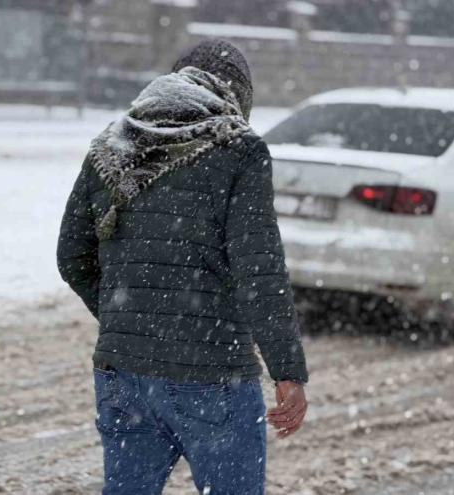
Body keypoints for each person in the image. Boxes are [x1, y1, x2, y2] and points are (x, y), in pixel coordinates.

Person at [56, 39, 308, 495]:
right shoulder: (239, 150)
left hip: (123, 376)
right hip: (212, 373)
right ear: (236, 96)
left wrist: (127, 318)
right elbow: (259, 271)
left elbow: (72, 256)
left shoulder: (109, 146)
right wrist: (288, 371)